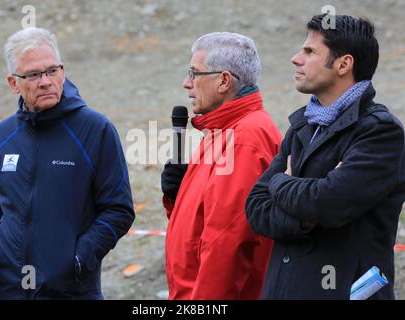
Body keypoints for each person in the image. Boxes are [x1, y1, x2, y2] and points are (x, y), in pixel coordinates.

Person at [245, 14, 405, 299]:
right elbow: (256, 207)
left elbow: (329, 203)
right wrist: (304, 219)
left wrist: (281, 183)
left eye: (309, 52)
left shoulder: (381, 132)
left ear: (344, 64)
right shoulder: (303, 125)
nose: (296, 58)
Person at [0, 27, 135, 299]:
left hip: (71, 291)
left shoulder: (96, 130)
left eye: (52, 71)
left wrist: (77, 259)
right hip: (10, 291)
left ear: (63, 72)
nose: (45, 81)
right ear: (13, 82)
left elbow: (119, 210)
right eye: (32, 74)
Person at [161, 32, 282, 299]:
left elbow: (227, 245)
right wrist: (177, 198)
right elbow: (203, 229)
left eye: (194, 74)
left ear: (224, 81)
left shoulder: (244, 140)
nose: (186, 83)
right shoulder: (222, 131)